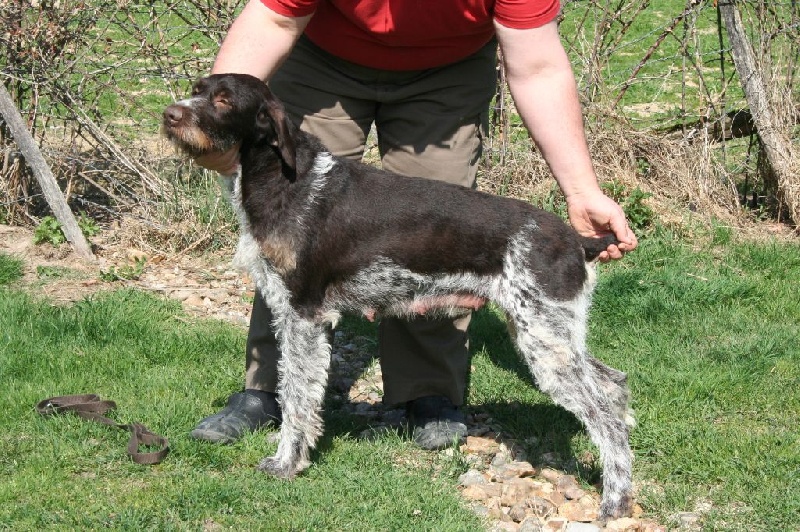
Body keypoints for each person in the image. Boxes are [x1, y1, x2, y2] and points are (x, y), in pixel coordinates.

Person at [189, 0, 638, 450]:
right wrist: (218, 122)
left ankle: (427, 395)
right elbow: (273, 15)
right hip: (326, 55)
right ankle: (265, 392)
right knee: (286, 241)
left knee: (440, 238)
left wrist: (582, 192)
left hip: (448, 69)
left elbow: (538, 67)